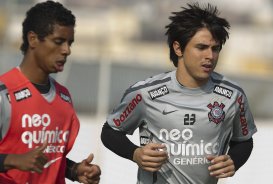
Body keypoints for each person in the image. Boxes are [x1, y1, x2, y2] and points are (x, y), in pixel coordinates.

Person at [101, 3, 257, 184]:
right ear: (178, 48)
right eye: (201, 47)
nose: (210, 56)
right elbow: (110, 132)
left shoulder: (233, 95)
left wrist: (234, 161)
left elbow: (244, 141)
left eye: (215, 49)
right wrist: (135, 153)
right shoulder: (145, 94)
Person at [0, 1, 101, 183]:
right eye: (58, 41)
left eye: (70, 43)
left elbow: (50, 160)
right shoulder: (4, 94)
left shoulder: (64, 97)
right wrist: (12, 160)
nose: (66, 50)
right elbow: (22, 160)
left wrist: (74, 170)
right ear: (33, 39)